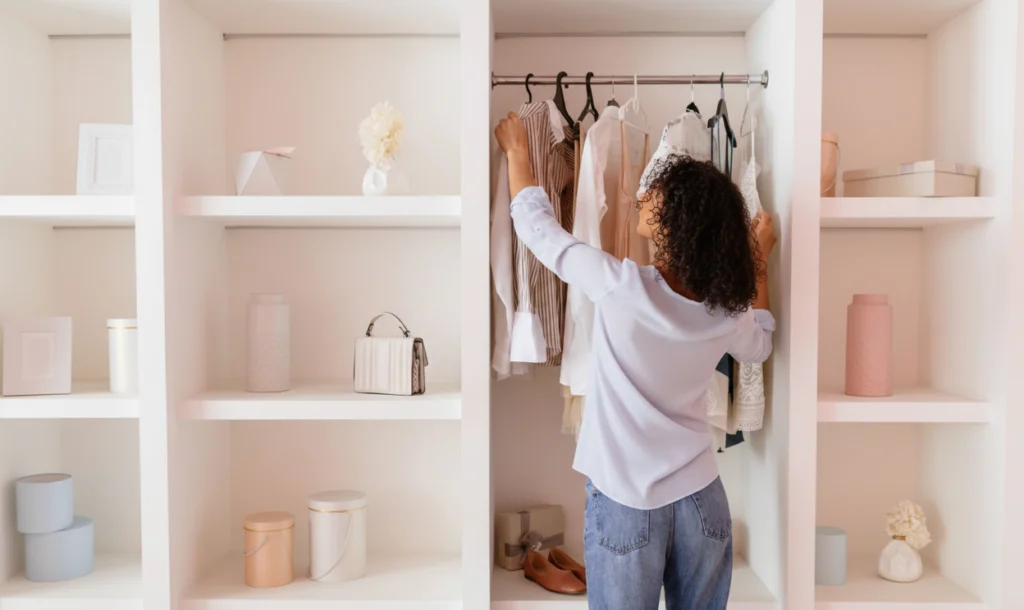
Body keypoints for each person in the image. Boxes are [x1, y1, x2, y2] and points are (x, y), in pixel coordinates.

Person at [495, 112, 777, 610]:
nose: (643, 196)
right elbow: (761, 343)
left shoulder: (622, 285)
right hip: (702, 499)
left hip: (627, 503)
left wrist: (519, 153)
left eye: (657, 194)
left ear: (680, 222)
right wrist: (759, 260)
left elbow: (540, 233)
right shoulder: (722, 311)